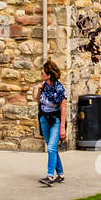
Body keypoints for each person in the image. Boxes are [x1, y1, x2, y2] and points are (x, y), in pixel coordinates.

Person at [37, 59, 67, 187]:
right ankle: (60, 174)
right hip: (44, 118)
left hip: (55, 120)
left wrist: (62, 128)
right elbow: (38, 101)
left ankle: (50, 176)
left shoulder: (59, 88)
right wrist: (39, 90)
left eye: (43, 73)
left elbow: (64, 108)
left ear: (49, 75)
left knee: (50, 148)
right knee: (51, 147)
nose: (41, 75)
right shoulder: (43, 85)